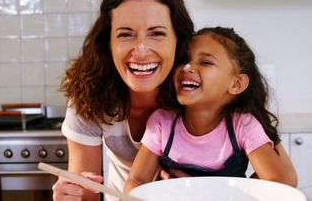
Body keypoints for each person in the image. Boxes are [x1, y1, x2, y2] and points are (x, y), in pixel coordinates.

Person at [52, 0, 194, 201]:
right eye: (125, 34)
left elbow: (270, 180)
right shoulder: (90, 95)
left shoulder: (202, 91)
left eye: (157, 33)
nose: (140, 50)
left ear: (179, 41)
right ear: (108, 43)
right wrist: (70, 196)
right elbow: (86, 192)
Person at [123, 27, 298, 194]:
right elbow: (137, 180)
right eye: (184, 60)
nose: (187, 67)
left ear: (236, 84)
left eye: (205, 62)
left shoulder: (243, 125)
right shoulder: (162, 123)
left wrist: (225, 194)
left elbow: (278, 181)